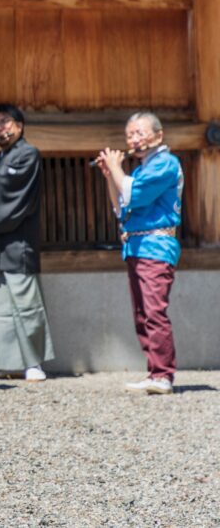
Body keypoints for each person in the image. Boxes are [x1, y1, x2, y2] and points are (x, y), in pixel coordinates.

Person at [95, 112, 182, 395]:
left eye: (140, 133)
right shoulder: (142, 169)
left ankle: (163, 374)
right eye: (130, 134)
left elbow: (133, 194)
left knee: (154, 311)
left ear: (159, 135)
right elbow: (121, 207)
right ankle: (155, 371)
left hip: (156, 247)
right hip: (135, 246)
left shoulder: (167, 164)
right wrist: (111, 175)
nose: (134, 139)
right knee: (142, 312)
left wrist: (117, 169)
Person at [0, 103, 54, 381]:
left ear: (20, 126)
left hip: (18, 242)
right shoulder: (0, 159)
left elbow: (11, 188)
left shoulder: (28, 154)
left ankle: (33, 362)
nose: (1, 128)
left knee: (25, 304)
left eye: (6, 122)